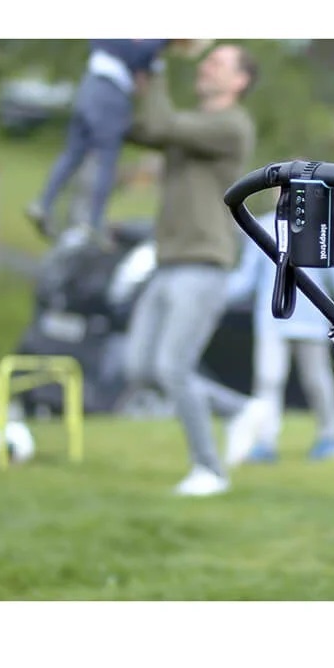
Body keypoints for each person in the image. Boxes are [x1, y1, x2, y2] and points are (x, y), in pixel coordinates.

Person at [122, 43, 271, 498]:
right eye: (207, 60)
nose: (205, 66)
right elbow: (144, 129)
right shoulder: (191, 124)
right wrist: (127, 82)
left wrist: (155, 64)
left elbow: (160, 126)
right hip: (168, 259)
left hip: (204, 262)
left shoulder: (231, 125)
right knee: (140, 367)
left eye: (218, 63)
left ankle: (210, 471)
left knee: (172, 367)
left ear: (240, 81)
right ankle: (239, 410)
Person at [25, 39, 209, 244]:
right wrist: (149, 68)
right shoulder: (156, 43)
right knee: (106, 160)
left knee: (73, 152)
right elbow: (142, 65)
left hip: (90, 82)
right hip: (111, 92)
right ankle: (93, 222)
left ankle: (44, 202)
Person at [225, 208, 334, 462]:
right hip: (272, 321)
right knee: (268, 380)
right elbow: (245, 280)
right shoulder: (263, 226)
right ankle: (264, 441)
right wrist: (213, 294)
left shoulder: (322, 226)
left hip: (310, 321)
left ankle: (329, 438)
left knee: (317, 381)